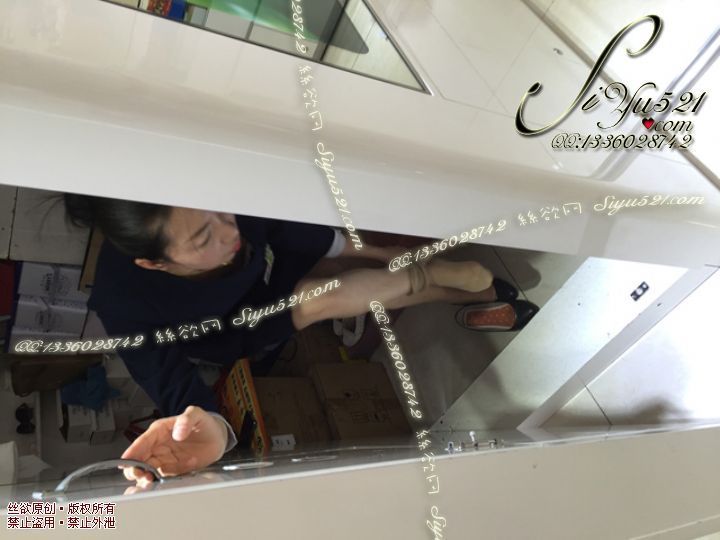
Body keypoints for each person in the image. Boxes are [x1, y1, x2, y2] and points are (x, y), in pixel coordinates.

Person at [63, 194, 537, 484]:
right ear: (156, 263)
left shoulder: (218, 214)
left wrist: (377, 250)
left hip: (262, 267)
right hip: (239, 324)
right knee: (320, 297)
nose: (226, 232)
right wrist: (214, 426)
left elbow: (281, 228)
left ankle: (445, 282)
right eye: (203, 239)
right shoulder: (124, 304)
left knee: (341, 261)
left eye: (219, 212)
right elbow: (172, 387)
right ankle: (450, 285)